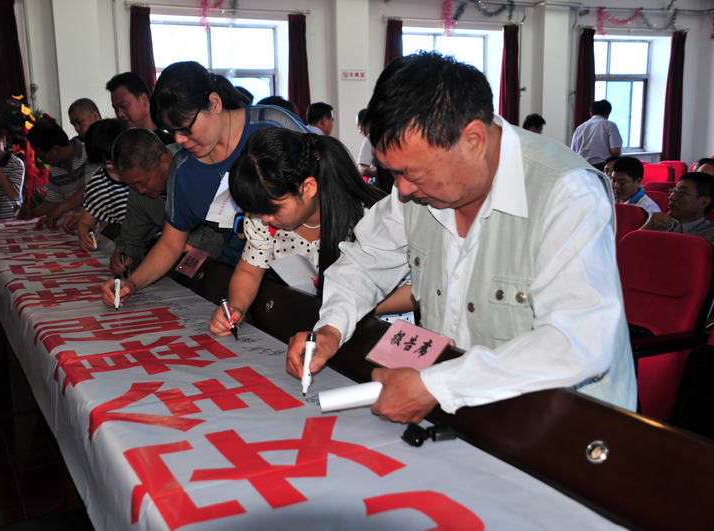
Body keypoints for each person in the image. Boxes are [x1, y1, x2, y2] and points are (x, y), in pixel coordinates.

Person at [286, 52, 636, 423]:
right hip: (462, 407)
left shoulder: (566, 193)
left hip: (567, 425)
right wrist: (330, 328)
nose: (403, 190)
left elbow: (575, 341)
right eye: (394, 173)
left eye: (414, 174)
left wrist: (438, 386)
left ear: (473, 140)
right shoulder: (415, 190)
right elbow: (363, 262)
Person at [100, 61, 307, 308]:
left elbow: (326, 189)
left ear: (215, 103)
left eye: (185, 128)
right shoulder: (183, 169)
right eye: (172, 131)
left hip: (309, 276)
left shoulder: (273, 126)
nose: (179, 140)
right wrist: (133, 283)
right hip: (241, 280)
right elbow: (171, 243)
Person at [208, 128, 412, 336]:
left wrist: (349, 306)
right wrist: (236, 308)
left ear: (308, 188)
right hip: (321, 323)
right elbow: (250, 270)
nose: (265, 219)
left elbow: (416, 290)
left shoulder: (368, 217)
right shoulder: (264, 220)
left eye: (273, 209)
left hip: (380, 327)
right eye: (257, 211)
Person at [108, 127, 223, 275]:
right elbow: (132, 238)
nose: (140, 190)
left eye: (142, 182)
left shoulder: (199, 166)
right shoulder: (139, 190)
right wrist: (125, 256)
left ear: (164, 161)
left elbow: (219, 232)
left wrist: (178, 250)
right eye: (132, 185)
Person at [62, 119, 130, 251]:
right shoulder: (98, 185)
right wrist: (85, 236)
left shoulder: (143, 166)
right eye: (102, 163)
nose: (109, 166)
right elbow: (85, 223)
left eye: (113, 160)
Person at [22, 120, 93, 228]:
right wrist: (33, 212)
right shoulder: (55, 168)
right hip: (79, 225)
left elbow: (90, 189)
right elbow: (53, 201)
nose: (42, 160)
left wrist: (60, 209)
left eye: (41, 156)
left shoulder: (90, 153)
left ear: (57, 150)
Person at [641, 172, 714, 244]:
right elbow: (635, 249)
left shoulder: (710, 236)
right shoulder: (659, 224)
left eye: (681, 192)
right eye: (673, 191)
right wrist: (647, 227)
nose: (671, 197)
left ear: (703, 202)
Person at [105, 72, 174, 145]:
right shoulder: (118, 143)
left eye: (124, 106)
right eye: (115, 108)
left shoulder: (171, 144)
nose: (119, 114)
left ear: (144, 100)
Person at [570, 99, 623, 171]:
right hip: (602, 166)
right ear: (608, 113)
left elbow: (573, 152)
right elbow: (615, 151)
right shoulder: (610, 125)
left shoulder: (579, 128)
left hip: (581, 167)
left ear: (591, 113)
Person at [356, 108, 376, 181]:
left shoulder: (370, 138)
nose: (359, 131)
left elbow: (362, 168)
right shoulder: (369, 139)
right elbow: (362, 168)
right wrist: (377, 171)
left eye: (359, 126)